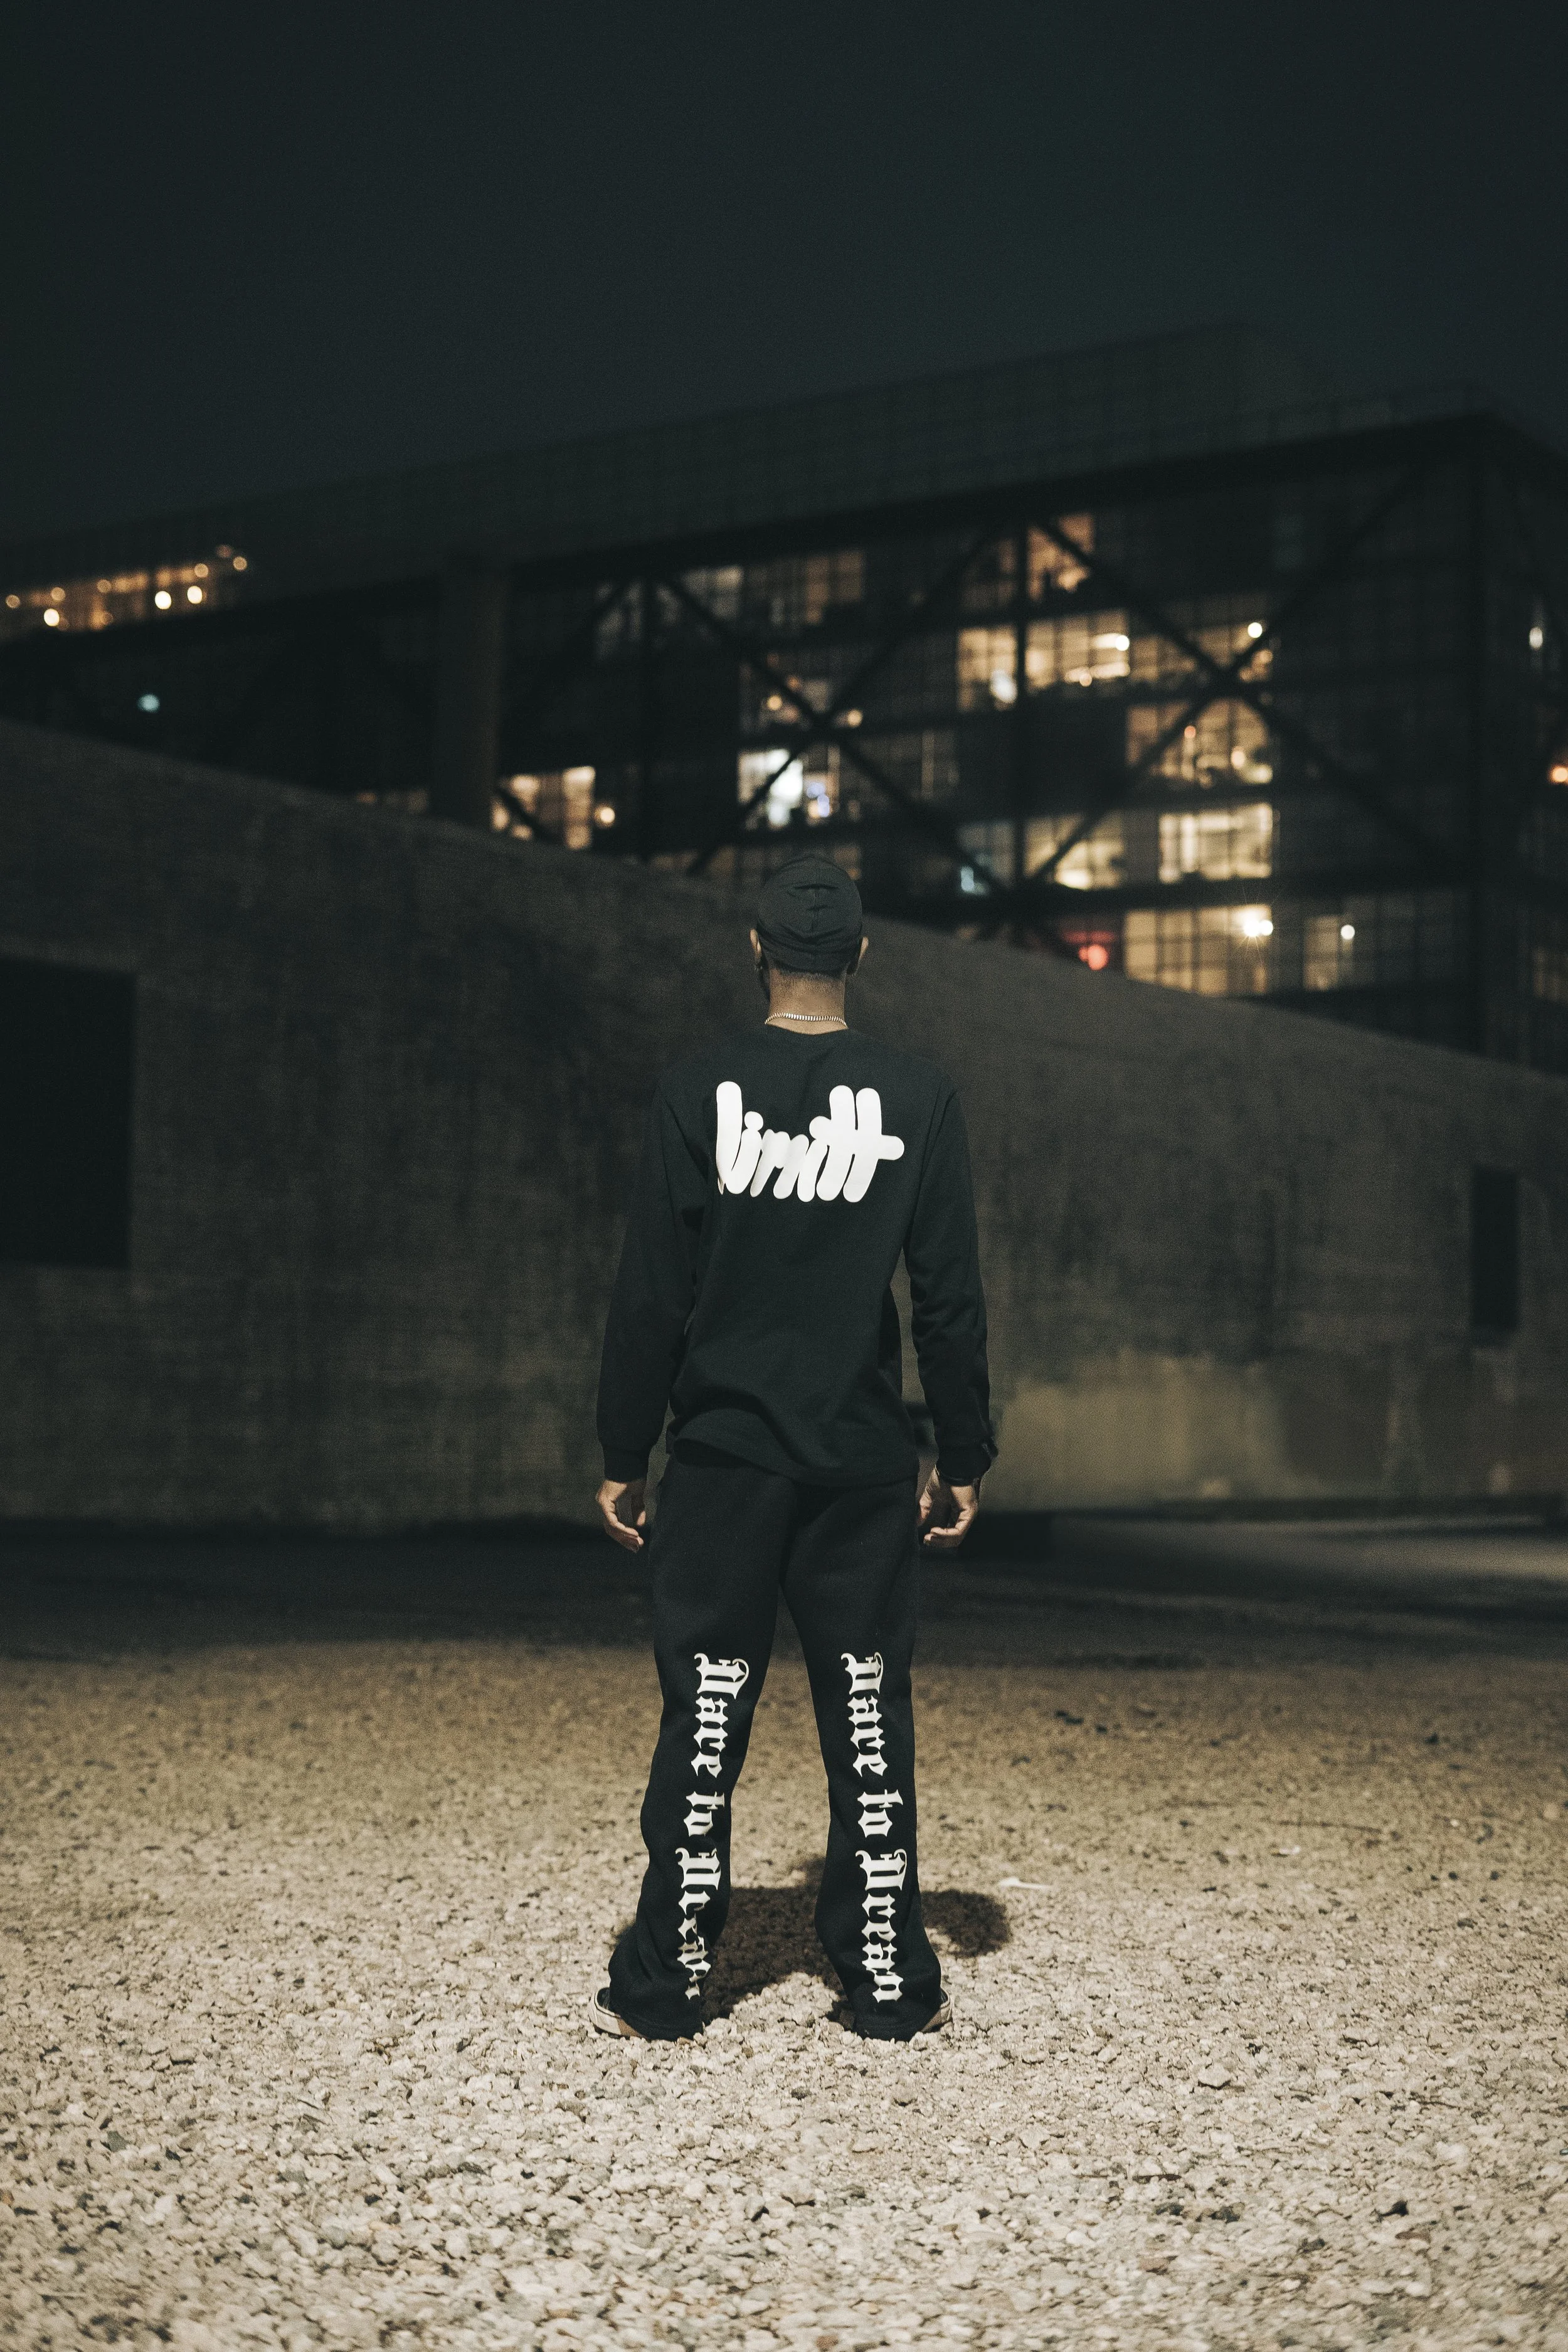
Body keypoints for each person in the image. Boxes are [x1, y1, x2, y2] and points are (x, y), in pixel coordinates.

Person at [590, 854, 993, 2043]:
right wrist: (963, 1452)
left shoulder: (696, 1090)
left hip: (723, 1459)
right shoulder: (919, 1097)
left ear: (755, 949)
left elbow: (651, 1293)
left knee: (707, 1711)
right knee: (866, 1714)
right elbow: (949, 1299)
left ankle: (668, 1979)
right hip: (859, 1462)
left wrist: (624, 1448)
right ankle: (886, 1975)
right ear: (860, 954)